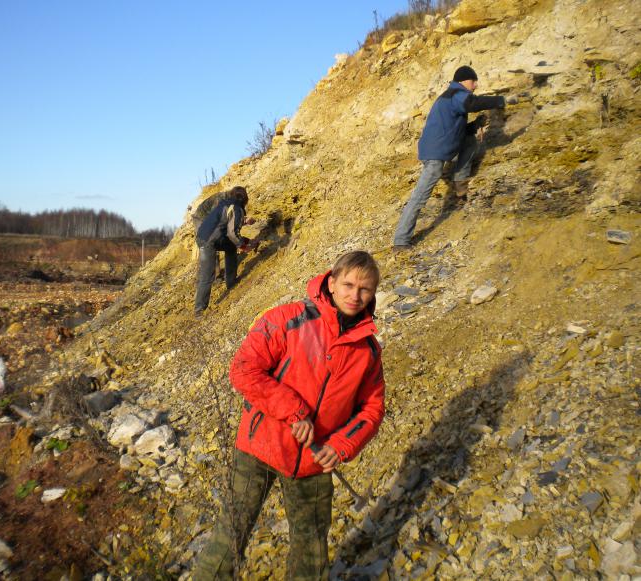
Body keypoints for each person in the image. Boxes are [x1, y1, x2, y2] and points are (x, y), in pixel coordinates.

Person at [195, 250, 386, 580]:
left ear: (373, 293)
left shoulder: (367, 350)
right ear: (331, 282)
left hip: (314, 459)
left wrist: (341, 446)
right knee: (230, 535)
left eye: (364, 289)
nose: (355, 295)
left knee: (311, 552)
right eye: (348, 285)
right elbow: (243, 370)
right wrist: (293, 411)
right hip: (259, 446)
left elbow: (372, 409)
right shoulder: (287, 318)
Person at [392, 65, 518, 250]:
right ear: (463, 81)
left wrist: (475, 125)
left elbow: (456, 130)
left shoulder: (451, 97)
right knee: (420, 196)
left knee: (470, 141)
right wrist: (502, 100)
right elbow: (473, 103)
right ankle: (401, 240)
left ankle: (460, 186)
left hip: (439, 147)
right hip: (435, 154)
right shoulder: (456, 94)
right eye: (473, 81)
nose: (475, 86)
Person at [194, 186, 255, 316]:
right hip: (209, 241)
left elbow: (226, 226)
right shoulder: (237, 208)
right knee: (207, 275)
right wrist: (244, 246)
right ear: (245, 199)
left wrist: (244, 241)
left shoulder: (224, 203)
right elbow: (232, 233)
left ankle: (231, 282)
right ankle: (200, 309)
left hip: (203, 237)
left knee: (231, 247)